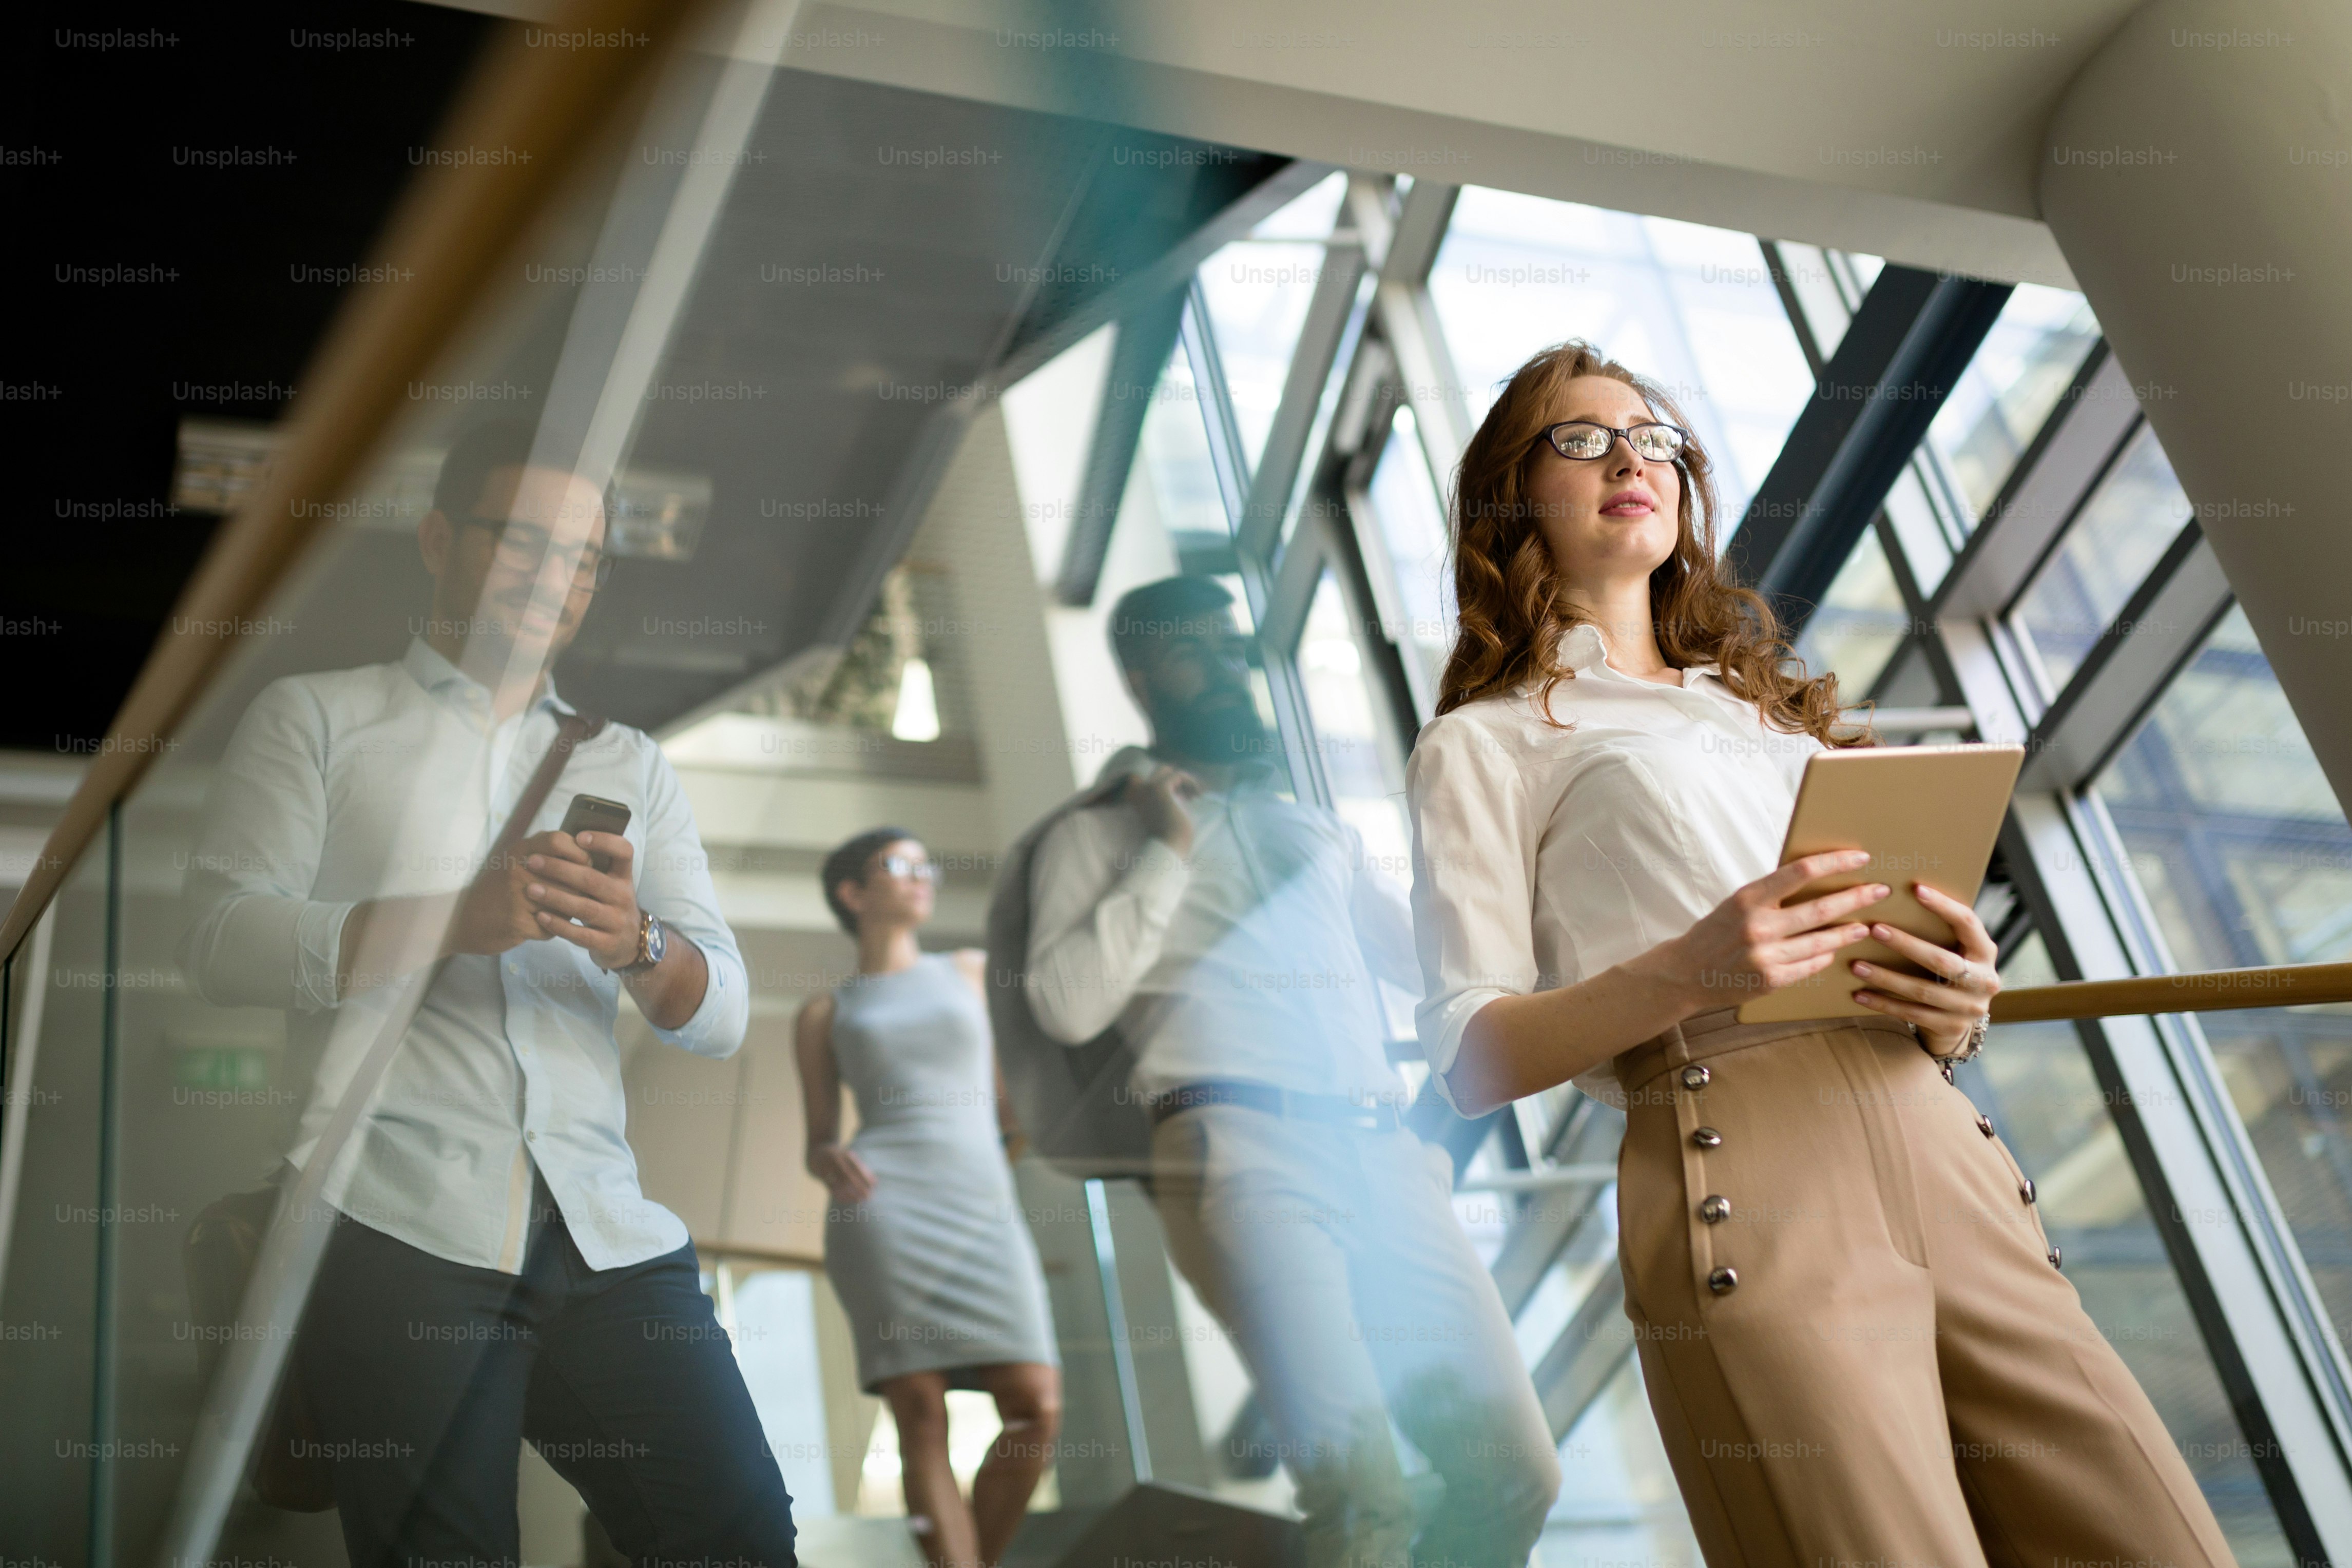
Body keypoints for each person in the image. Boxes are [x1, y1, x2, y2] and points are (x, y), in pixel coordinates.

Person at [1406, 341, 2239, 1565]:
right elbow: (1468, 1055)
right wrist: (1693, 967)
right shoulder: (1485, 743)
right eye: (1580, 438)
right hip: (1741, 1154)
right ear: (1510, 494)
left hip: (1938, 1135)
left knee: (2147, 1535)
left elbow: (1875, 940)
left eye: (1652, 437)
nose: (1630, 457)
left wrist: (1952, 994)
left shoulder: (1762, 713)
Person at [180, 418, 797, 1568]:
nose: (550, 578)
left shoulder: (631, 761)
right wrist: (448, 920)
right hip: (389, 1216)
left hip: (606, 1232)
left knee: (741, 1537)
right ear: (436, 539)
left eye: (580, 557)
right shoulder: (314, 716)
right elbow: (219, 941)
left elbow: (716, 1013)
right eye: (518, 542)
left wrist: (637, 939)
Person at [1008, 575, 1560, 1568]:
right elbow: (1066, 1003)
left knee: (1516, 1472)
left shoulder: (1313, 827)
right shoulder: (1092, 835)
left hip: (1382, 1155)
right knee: (1360, 1493)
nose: (1231, 667)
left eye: (1236, 647)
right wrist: (1165, 855)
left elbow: (1446, 965)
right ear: (1142, 676)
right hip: (1235, 1154)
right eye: (1199, 651)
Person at [794, 828, 1061, 1568]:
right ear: (853, 894)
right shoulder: (825, 1011)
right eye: (899, 866)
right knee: (919, 1415)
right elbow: (817, 1137)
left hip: (979, 1202)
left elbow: (1013, 1102)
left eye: (925, 865)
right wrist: (825, 1156)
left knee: (1036, 1408)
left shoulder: (970, 971)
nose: (922, 877)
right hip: (882, 1206)